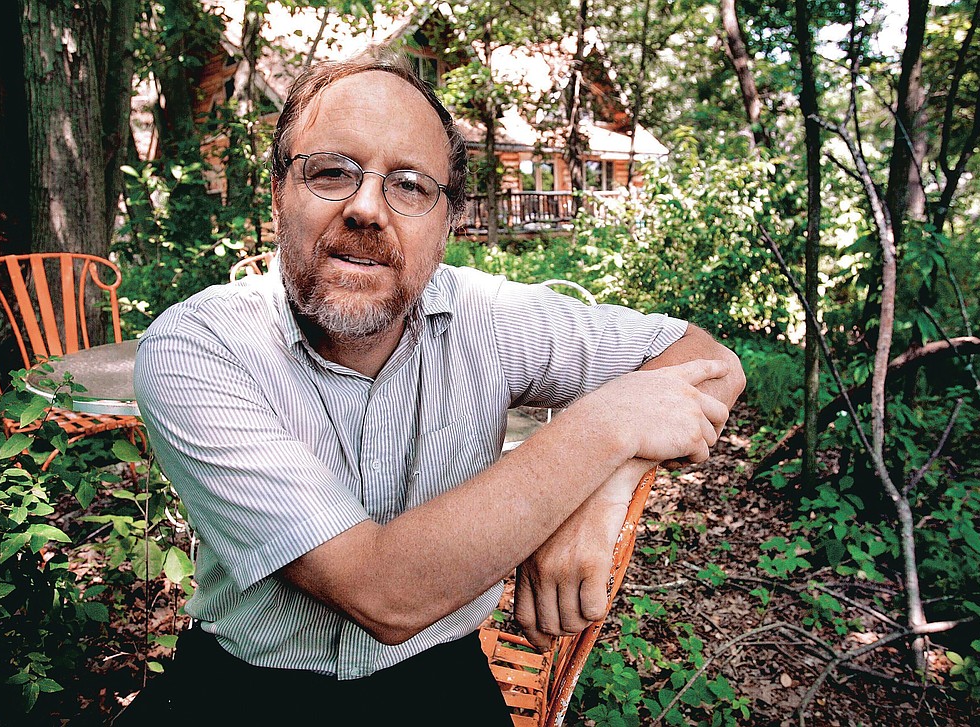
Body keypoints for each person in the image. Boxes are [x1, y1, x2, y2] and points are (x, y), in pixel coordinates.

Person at [125, 48, 744, 725]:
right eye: (331, 171)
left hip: (438, 676)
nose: (366, 207)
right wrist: (604, 426)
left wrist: (601, 490)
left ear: (449, 223)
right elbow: (381, 591)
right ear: (279, 191)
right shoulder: (198, 347)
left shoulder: (494, 318)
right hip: (246, 684)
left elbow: (711, 362)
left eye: (411, 185)